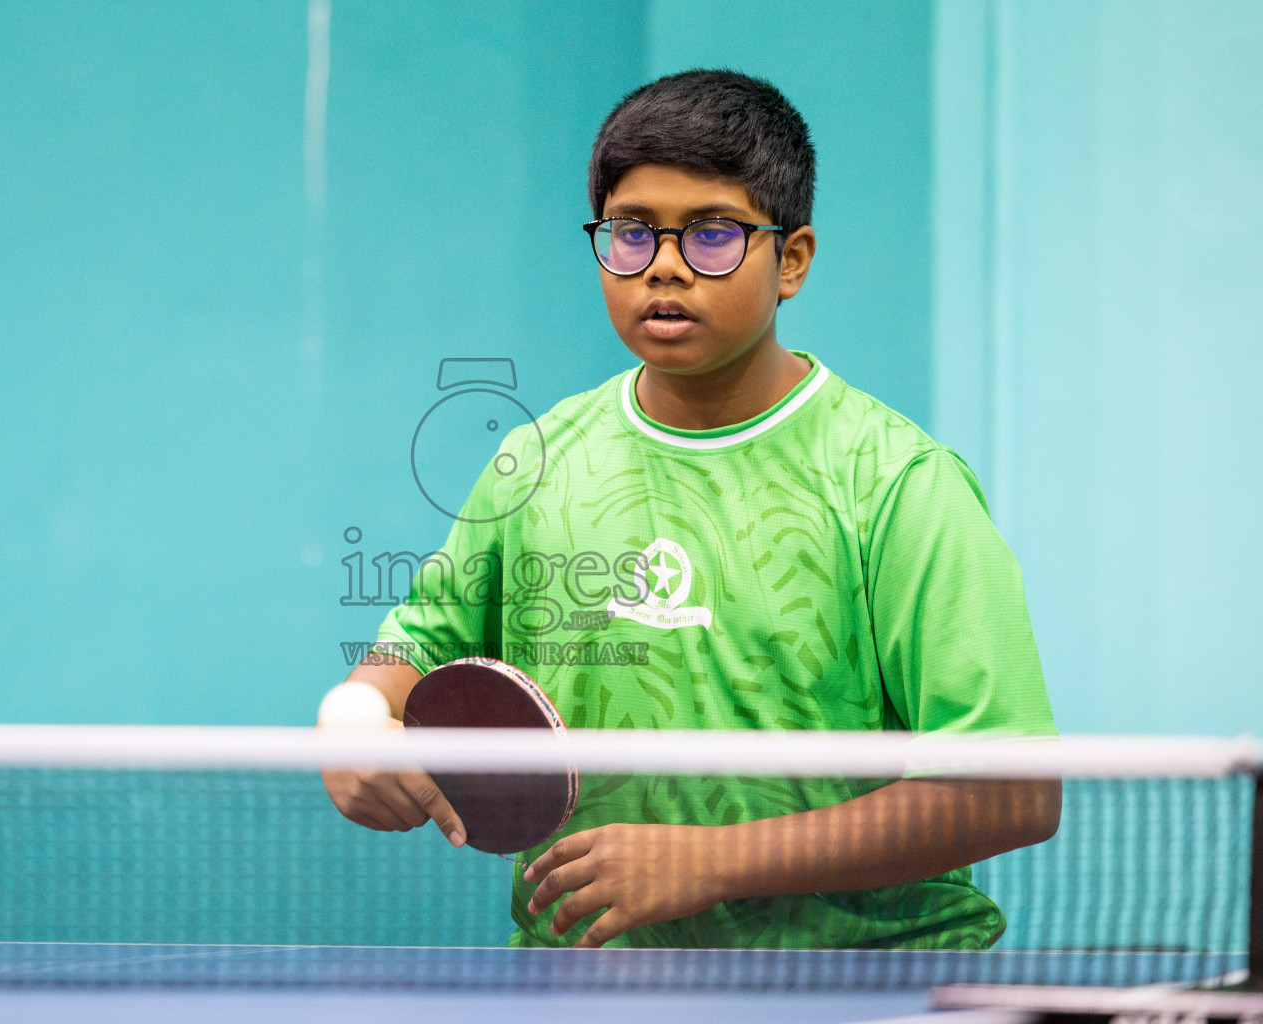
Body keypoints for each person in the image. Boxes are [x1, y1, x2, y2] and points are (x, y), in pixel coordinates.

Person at [321, 69, 1059, 949]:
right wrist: (357, 720)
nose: (664, 265)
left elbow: (1012, 789)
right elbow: (415, 650)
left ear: (791, 259)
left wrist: (712, 862)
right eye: (631, 232)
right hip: (586, 989)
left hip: (862, 991)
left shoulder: (896, 482)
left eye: (712, 233)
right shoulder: (539, 457)